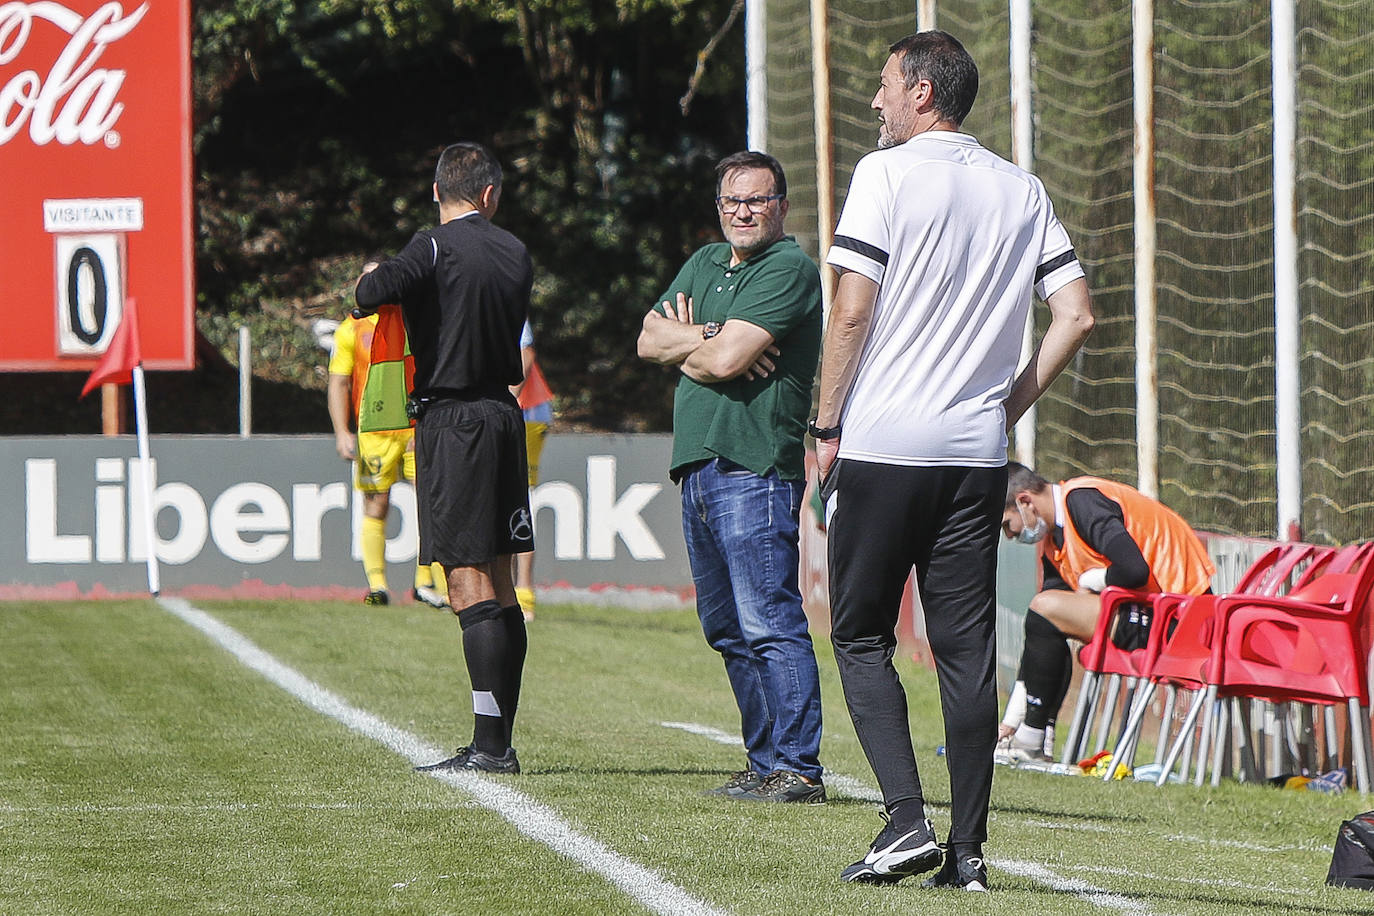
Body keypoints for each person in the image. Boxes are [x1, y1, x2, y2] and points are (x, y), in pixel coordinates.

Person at [812, 31, 1095, 890]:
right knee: (967, 654)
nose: (876, 103)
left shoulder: (885, 175)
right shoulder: (1020, 186)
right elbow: (1077, 314)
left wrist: (824, 425)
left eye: (886, 86)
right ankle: (967, 853)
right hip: (976, 458)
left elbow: (852, 312)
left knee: (860, 634)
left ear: (923, 92)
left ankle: (905, 820)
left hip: (884, 444)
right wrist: (1005, 407)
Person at [636, 150, 826, 804]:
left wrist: (696, 341)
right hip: (698, 467)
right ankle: (764, 761)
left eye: (757, 200)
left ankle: (799, 769)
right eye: (731, 201)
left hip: (755, 467)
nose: (743, 212)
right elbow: (648, 340)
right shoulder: (704, 262)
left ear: (781, 207)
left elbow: (725, 359)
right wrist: (707, 339)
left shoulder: (790, 269)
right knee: (726, 627)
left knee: (769, 618)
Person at [355, 141, 534, 775]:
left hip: (452, 421)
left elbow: (372, 293)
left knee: (465, 580)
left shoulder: (433, 246)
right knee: (504, 581)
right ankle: (499, 739)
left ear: (438, 192)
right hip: (502, 416)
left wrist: (370, 276)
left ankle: (490, 747)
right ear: (490, 195)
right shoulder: (515, 250)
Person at [997, 461, 1215, 763]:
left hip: (1183, 620)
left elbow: (1134, 569)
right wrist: (1011, 717)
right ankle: (1034, 738)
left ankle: (1031, 739)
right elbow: (1040, 632)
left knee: (1046, 609)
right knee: (1047, 614)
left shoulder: (1082, 502)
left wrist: (1092, 579)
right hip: (1156, 612)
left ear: (1024, 501)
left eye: (1007, 524)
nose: (1009, 536)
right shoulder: (1054, 540)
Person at [326, 302, 449, 609]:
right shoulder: (350, 329)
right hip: (374, 431)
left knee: (431, 501)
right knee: (376, 503)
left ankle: (429, 582)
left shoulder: (415, 320)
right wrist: (342, 431)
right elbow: (339, 381)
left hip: (414, 427)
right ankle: (377, 585)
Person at [511, 320, 554, 622]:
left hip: (526, 414)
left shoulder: (506, 300)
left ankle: (524, 594)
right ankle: (514, 595)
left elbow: (526, 354)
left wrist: (508, 397)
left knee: (518, 501)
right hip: (520, 412)